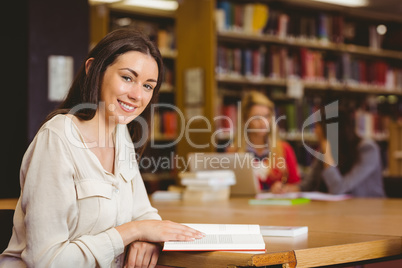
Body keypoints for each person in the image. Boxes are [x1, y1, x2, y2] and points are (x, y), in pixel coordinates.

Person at [0, 29, 204, 268]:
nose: (137, 95)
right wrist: (133, 231)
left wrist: (147, 237)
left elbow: (143, 213)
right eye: (127, 78)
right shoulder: (57, 139)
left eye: (148, 86)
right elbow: (47, 261)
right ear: (93, 70)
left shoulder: (121, 133)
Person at [282, 105, 386, 197]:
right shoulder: (328, 149)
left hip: (368, 212)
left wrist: (327, 155)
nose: (315, 131)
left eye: (318, 126)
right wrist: (288, 189)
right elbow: (308, 184)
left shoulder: (367, 150)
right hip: (338, 211)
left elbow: (339, 189)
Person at [226, 91, 301, 193]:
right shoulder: (233, 153)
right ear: (245, 120)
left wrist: (284, 188)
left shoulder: (284, 149)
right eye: (256, 117)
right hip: (245, 207)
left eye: (266, 116)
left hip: (277, 208)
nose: (263, 123)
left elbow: (296, 186)